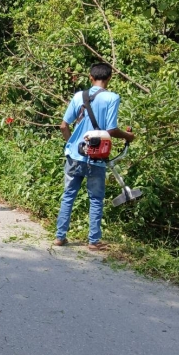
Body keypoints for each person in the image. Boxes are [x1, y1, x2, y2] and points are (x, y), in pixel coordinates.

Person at [54, 63, 135, 251]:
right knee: (96, 198)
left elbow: (63, 126)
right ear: (109, 78)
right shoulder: (113, 97)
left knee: (68, 195)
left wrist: (71, 144)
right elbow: (111, 129)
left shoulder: (78, 96)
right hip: (97, 157)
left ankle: (59, 237)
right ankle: (94, 241)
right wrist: (128, 136)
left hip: (75, 155)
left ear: (90, 77)